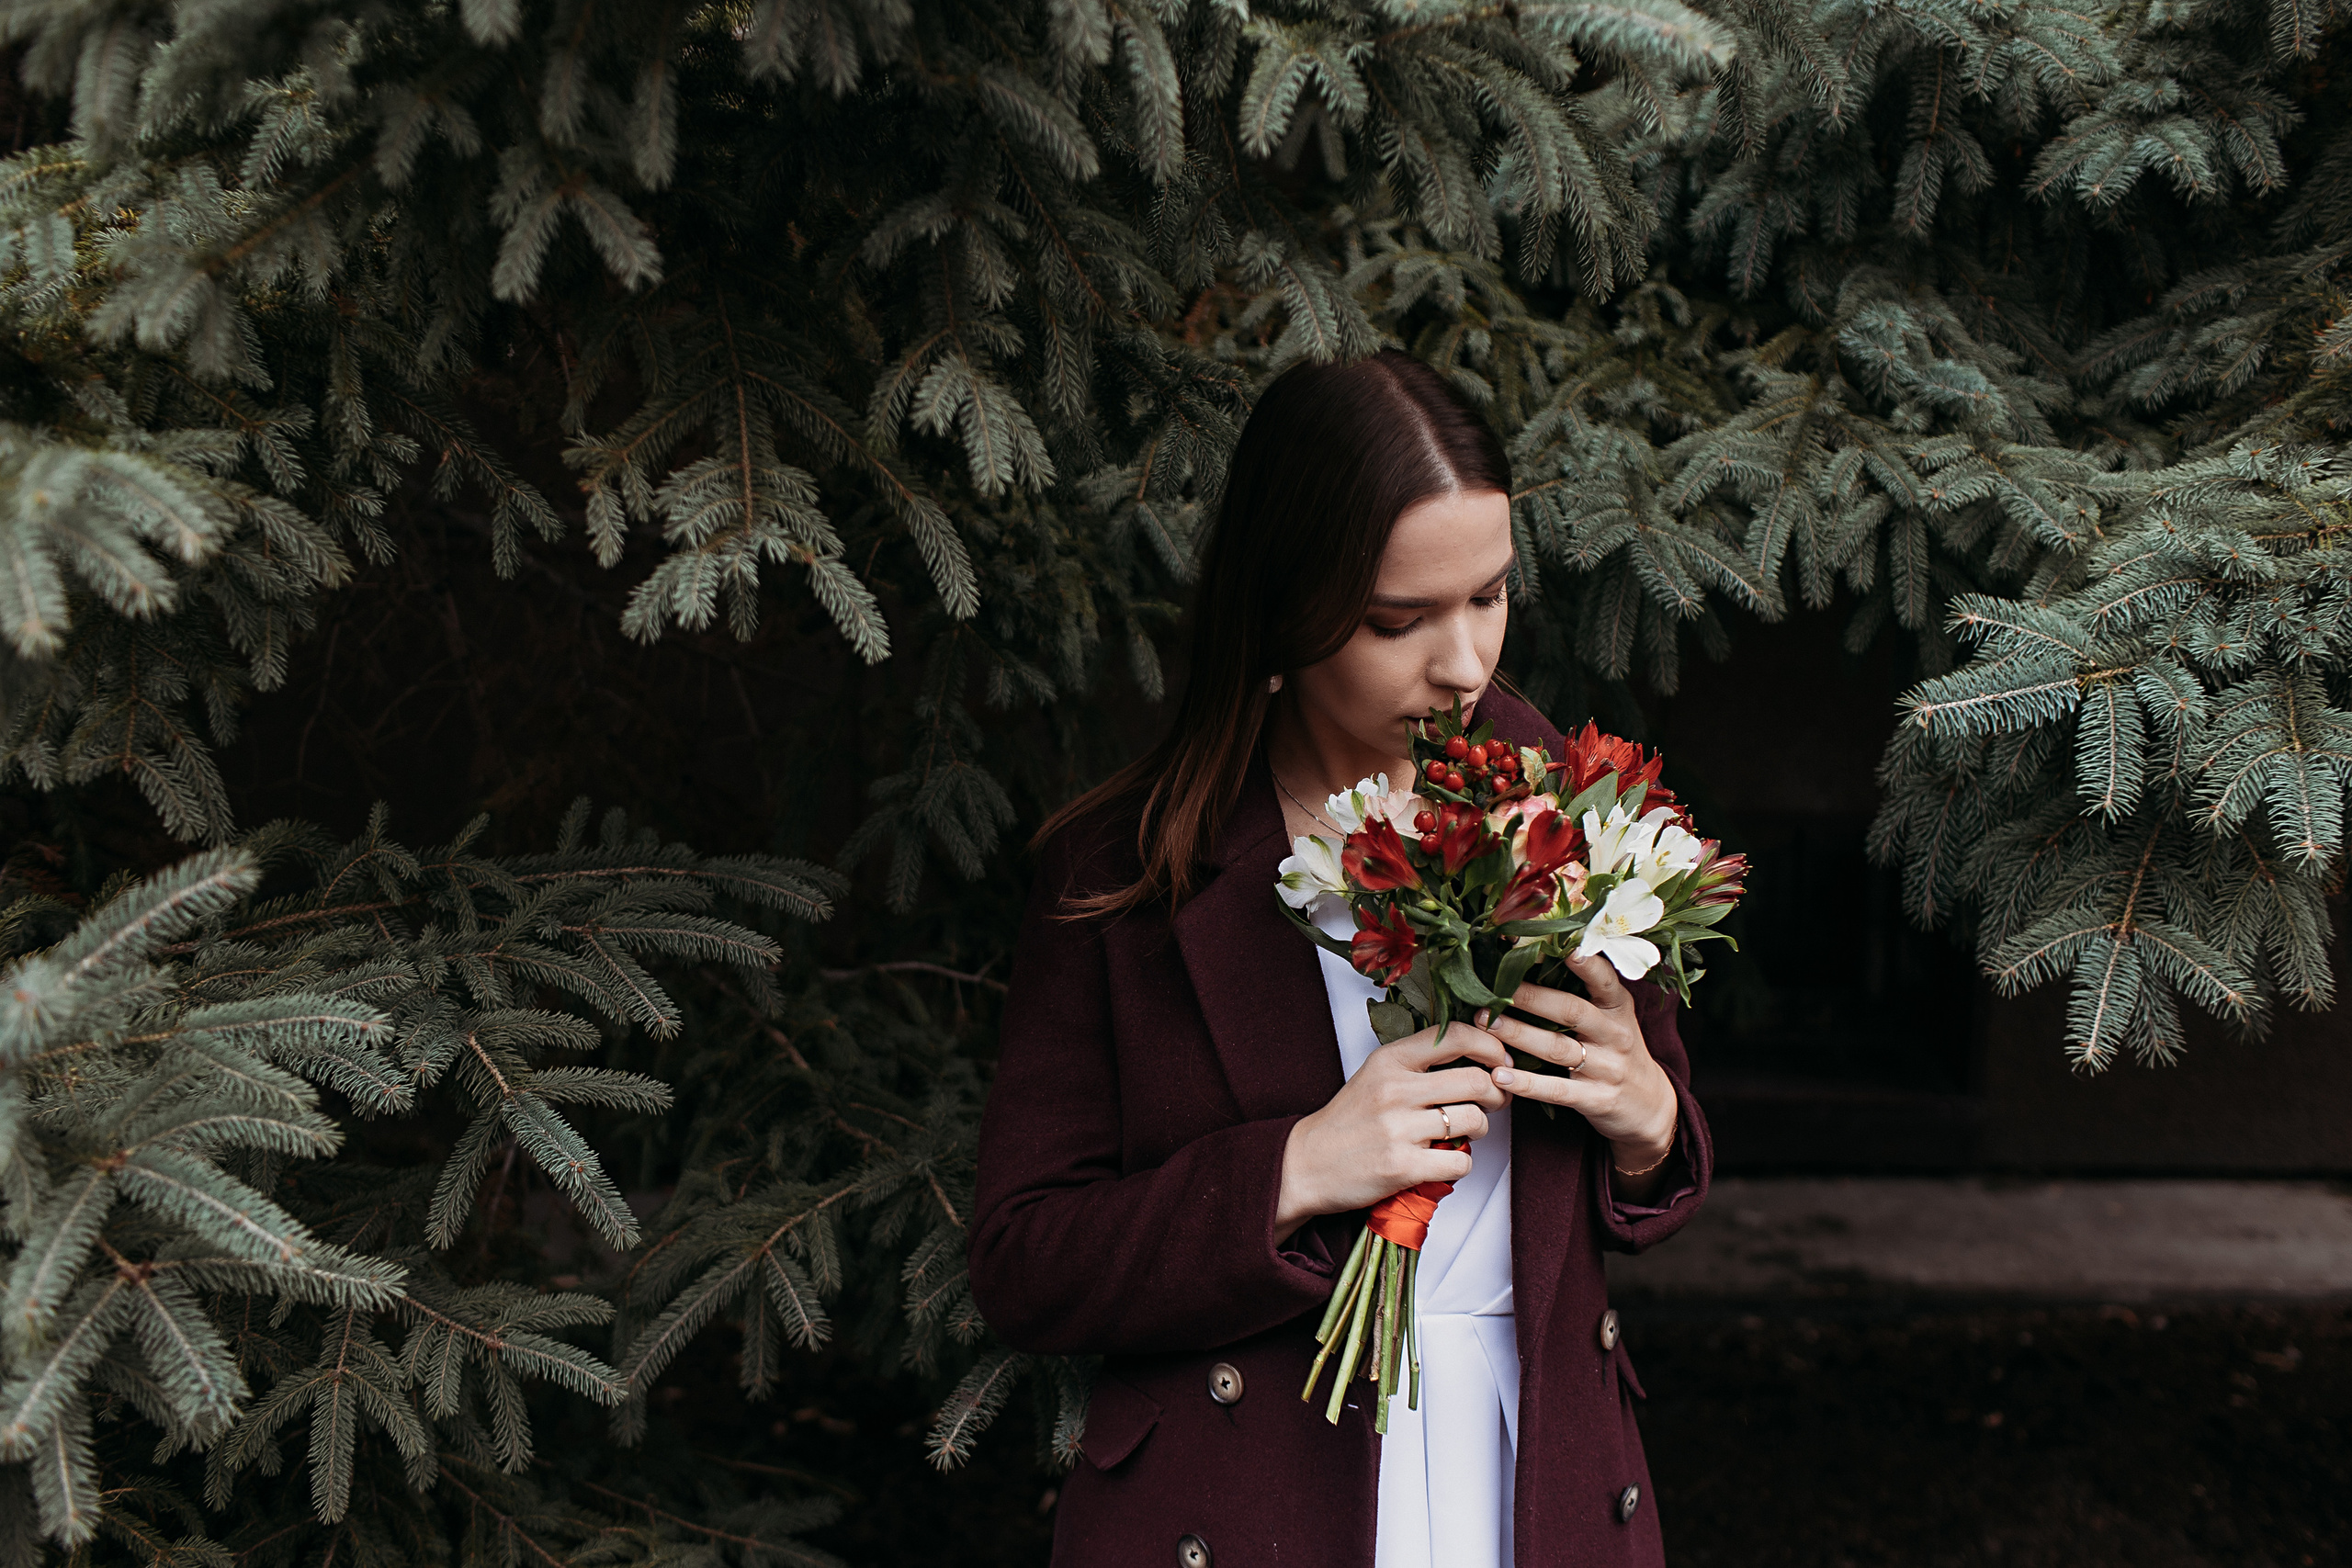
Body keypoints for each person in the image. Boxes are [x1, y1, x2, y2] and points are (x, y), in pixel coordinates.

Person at [967, 349, 1711, 1568]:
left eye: (1490, 596)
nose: (1465, 664)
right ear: (1286, 609)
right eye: (1397, 621)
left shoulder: (1575, 809)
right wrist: (1295, 1170)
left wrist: (1648, 1121)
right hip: (1251, 1492)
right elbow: (1023, 1264)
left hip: (1537, 1483)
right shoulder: (1130, 871)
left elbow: (1656, 1156)